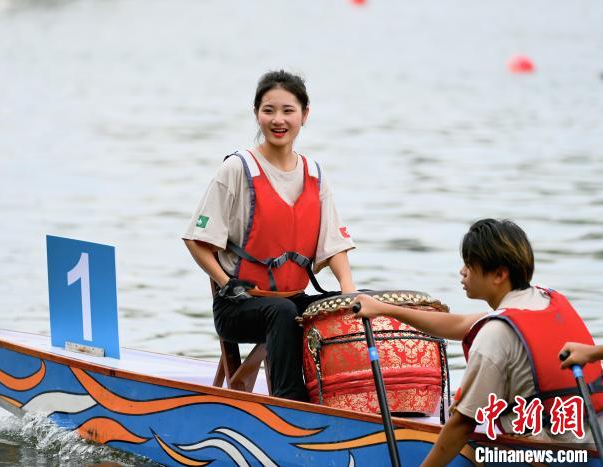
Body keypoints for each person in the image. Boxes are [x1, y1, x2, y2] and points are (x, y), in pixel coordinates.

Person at [351, 218, 602, 465]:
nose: (462, 271)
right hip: (592, 437)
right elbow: (460, 325)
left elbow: (462, 425)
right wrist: (385, 309)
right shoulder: (546, 298)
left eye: (469, 265)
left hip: (557, 456)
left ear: (499, 274)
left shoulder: (495, 335)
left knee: (468, 442)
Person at [183, 70, 356, 402]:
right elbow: (196, 239)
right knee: (281, 312)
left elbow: (335, 246)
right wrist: (225, 282)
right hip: (239, 306)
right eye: (269, 110)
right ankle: (290, 405)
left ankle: (345, 400)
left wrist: (351, 297)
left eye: (288, 111)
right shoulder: (237, 169)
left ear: (305, 115)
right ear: (256, 114)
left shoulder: (315, 174)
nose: (278, 120)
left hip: (293, 298)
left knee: (350, 306)